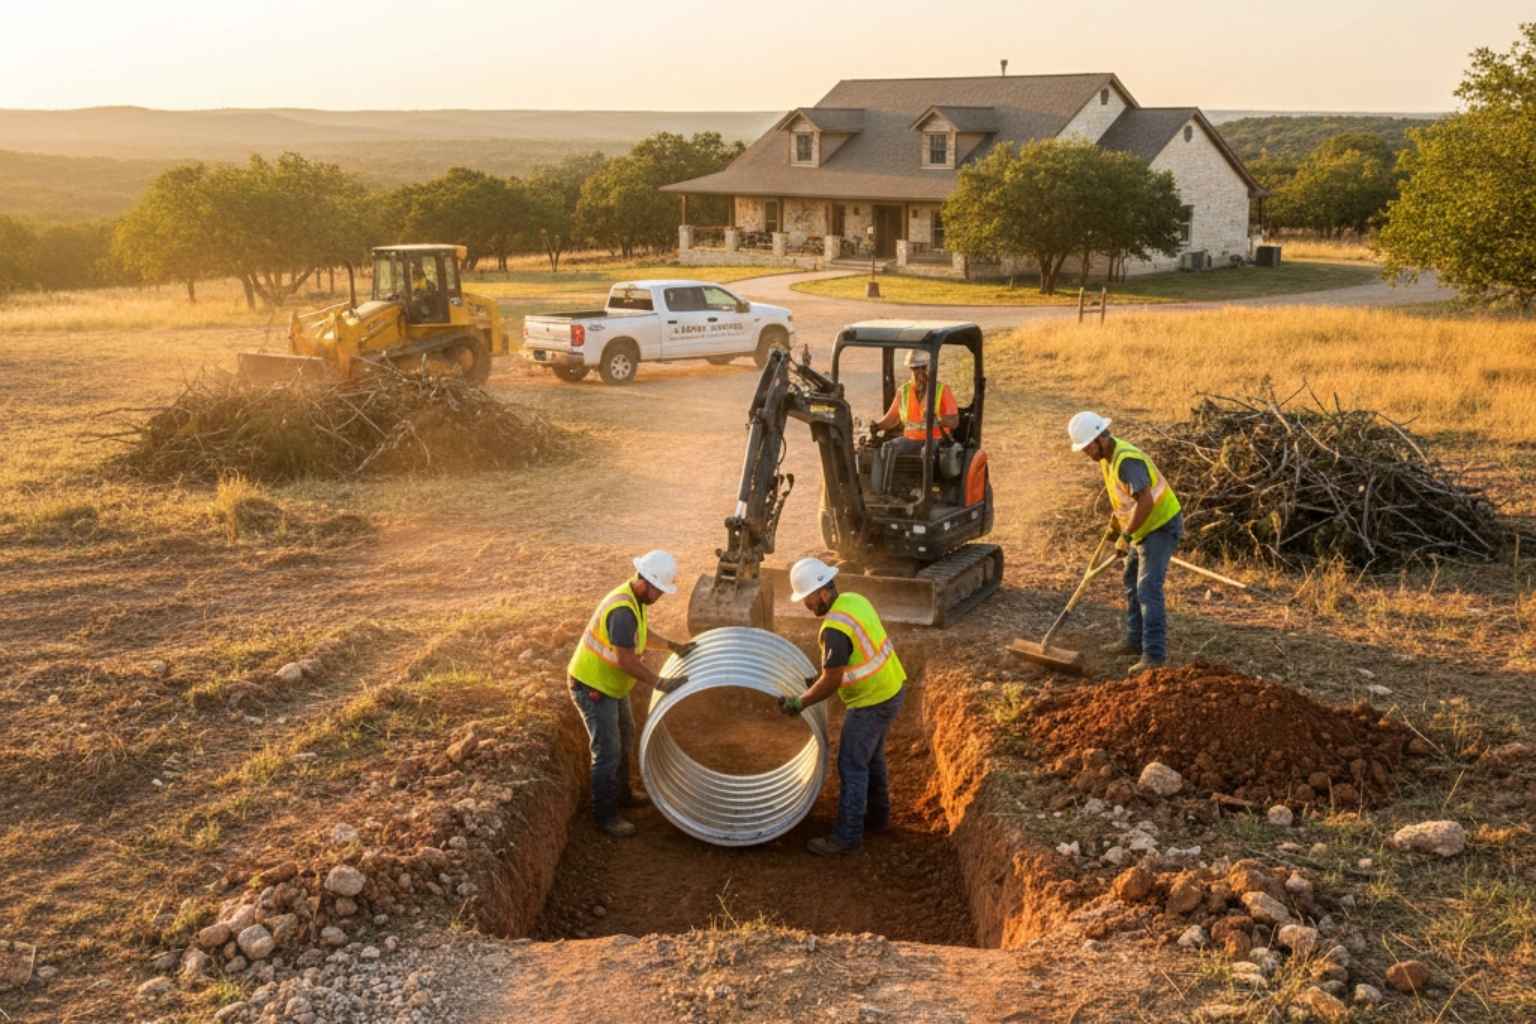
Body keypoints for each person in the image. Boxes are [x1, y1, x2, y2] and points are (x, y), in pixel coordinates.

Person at [778, 556, 907, 855]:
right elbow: (853, 658)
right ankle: (878, 818)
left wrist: (800, 702)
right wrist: (822, 675)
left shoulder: (834, 628)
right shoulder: (853, 600)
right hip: (891, 687)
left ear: (823, 591)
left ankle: (847, 837)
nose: (806, 605)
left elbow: (833, 680)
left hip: (872, 701)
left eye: (808, 599)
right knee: (871, 758)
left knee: (851, 763)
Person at [566, 550, 695, 837]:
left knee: (626, 734)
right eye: (659, 590)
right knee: (607, 751)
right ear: (645, 581)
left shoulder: (635, 600)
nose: (660, 595)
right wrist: (659, 683)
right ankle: (605, 815)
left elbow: (642, 634)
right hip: (593, 687)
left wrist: (673, 646)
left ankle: (623, 794)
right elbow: (625, 659)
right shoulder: (622, 610)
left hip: (612, 685)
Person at [1068, 411, 1184, 674]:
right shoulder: (1106, 457)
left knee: (1147, 589)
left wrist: (1127, 535)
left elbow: (1145, 501)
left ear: (1100, 438)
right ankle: (1133, 641)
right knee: (1131, 583)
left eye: (1087, 447)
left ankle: (1153, 656)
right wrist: (1115, 526)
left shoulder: (1126, 461)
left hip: (1160, 525)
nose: (1086, 453)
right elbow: (1124, 498)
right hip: (1142, 525)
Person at [872, 349, 958, 458]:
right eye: (916, 368)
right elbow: (892, 419)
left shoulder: (942, 390)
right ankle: (888, 475)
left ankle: (926, 475)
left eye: (923, 367)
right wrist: (877, 426)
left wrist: (938, 419)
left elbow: (954, 422)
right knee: (888, 448)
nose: (920, 371)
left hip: (936, 439)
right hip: (910, 440)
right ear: (910, 369)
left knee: (926, 452)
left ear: (930, 367)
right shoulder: (903, 391)